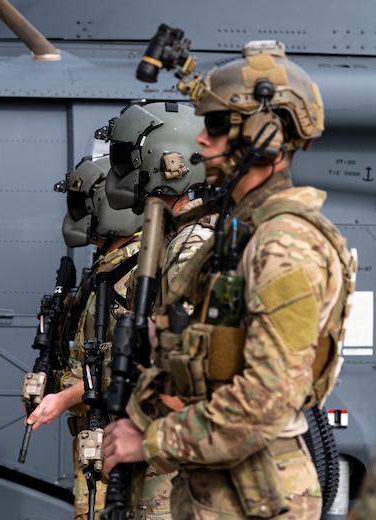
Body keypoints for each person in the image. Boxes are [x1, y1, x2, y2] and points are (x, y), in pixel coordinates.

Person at [102, 40, 357, 519]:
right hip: (222, 489)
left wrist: (151, 440)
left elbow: (265, 402)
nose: (201, 140)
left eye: (216, 125)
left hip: (257, 498)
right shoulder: (242, 232)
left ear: (263, 135)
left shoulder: (285, 246)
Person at [27, 100, 207, 520]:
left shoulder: (183, 249)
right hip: (135, 437)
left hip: (160, 449)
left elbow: (166, 367)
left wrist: (68, 395)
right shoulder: (160, 251)